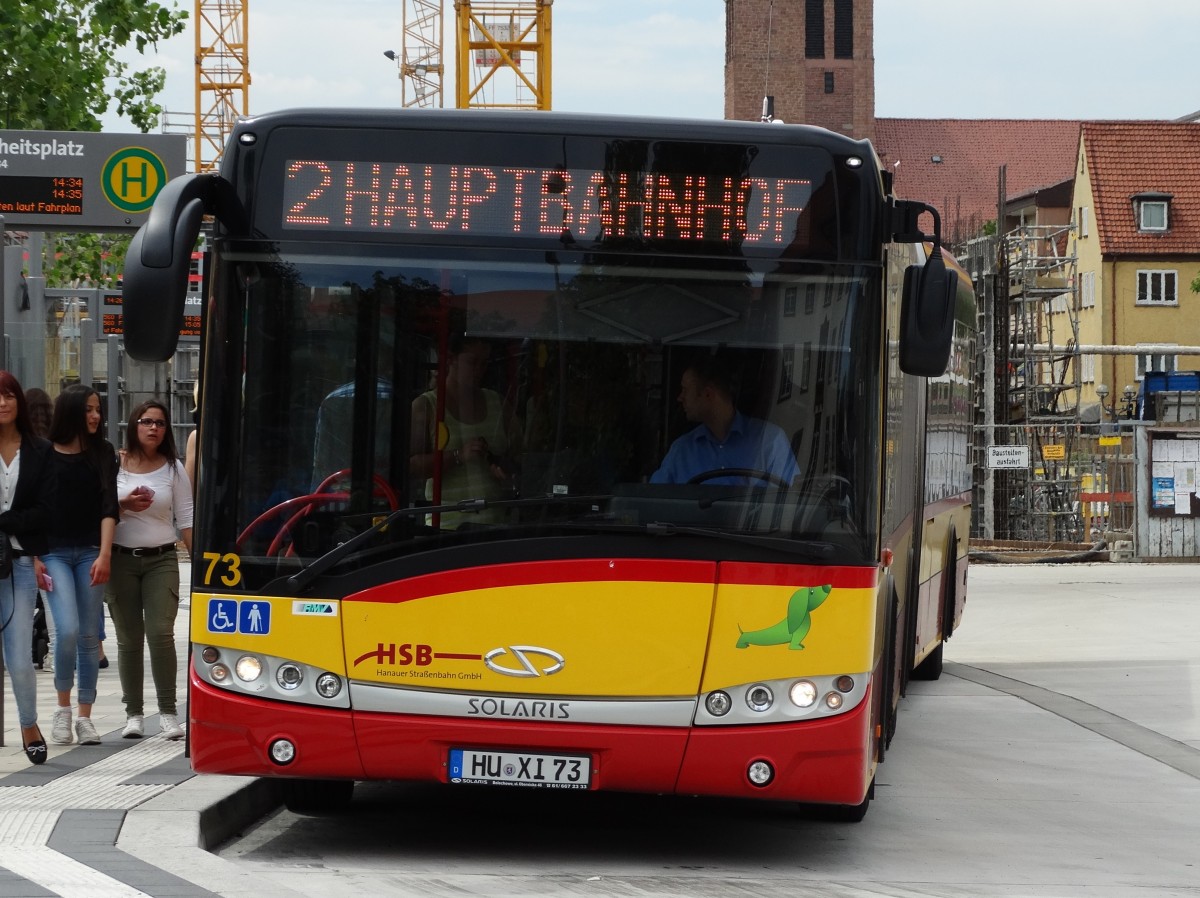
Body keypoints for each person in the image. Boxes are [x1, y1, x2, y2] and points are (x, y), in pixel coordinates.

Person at [106, 400, 193, 740]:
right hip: (120, 559)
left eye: (160, 422)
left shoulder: (173, 468)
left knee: (160, 633)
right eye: (146, 421)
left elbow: (186, 517)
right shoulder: (116, 463)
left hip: (162, 559)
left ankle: (169, 713)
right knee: (128, 640)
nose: (153, 428)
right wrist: (123, 505)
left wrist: (201, 563)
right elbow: (98, 509)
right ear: (134, 425)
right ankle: (134, 715)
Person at [40, 384, 119, 746]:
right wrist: (36, 557)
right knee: (67, 630)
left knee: (90, 636)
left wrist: (104, 554)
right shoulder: (42, 453)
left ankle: (85, 716)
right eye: (88, 409)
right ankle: (62, 709)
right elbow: (33, 511)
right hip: (52, 552)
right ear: (71, 411)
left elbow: (109, 507)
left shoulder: (102, 452)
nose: (95, 416)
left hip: (90, 551)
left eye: (98, 409)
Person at [0, 372, 55, 764]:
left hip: (18, 563)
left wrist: (9, 521)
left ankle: (29, 724)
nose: (2, 402)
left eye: (8, 395)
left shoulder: (39, 450)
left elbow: (46, 510)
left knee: (19, 657)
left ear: (19, 400)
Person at [410, 334, 519, 528]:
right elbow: (411, 467)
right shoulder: (426, 406)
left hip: (496, 523)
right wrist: (457, 456)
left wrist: (503, 466)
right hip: (446, 526)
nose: (479, 370)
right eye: (472, 362)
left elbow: (521, 457)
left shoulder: (498, 403)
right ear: (451, 359)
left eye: (484, 364)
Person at [650, 356, 800, 486]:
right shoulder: (681, 451)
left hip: (756, 521)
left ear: (708, 394)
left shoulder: (770, 442)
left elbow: (789, 503)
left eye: (685, 390)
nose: (680, 397)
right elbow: (654, 501)